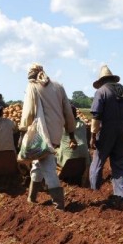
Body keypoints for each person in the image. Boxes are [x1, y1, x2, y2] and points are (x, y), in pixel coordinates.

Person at [20, 63, 76, 210]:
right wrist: (71, 134)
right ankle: (31, 197)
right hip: (56, 132)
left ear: (31, 76)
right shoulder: (58, 86)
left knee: (48, 167)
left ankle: (59, 204)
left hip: (41, 134)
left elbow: (28, 113)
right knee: (39, 162)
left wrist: (22, 133)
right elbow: (68, 112)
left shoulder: (32, 86)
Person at [88, 65, 123, 209]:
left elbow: (96, 116)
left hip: (106, 131)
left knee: (98, 161)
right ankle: (122, 194)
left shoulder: (101, 92)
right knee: (120, 164)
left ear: (102, 80)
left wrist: (92, 136)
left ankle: (94, 192)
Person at [56, 103, 91, 186]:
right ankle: (84, 179)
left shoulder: (61, 126)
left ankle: (55, 182)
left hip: (68, 157)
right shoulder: (82, 124)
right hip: (84, 156)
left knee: (51, 154)